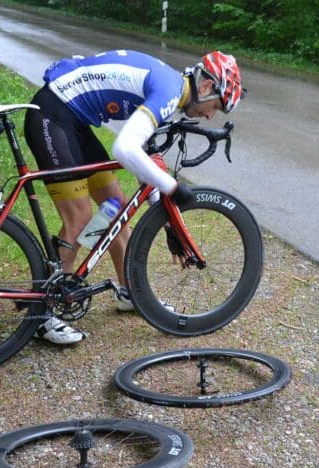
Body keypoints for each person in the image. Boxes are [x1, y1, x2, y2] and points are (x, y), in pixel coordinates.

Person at [24, 49, 244, 344]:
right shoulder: (169, 90)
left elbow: (145, 160)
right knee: (80, 220)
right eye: (216, 106)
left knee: (114, 207)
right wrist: (173, 189)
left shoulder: (172, 87)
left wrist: (168, 222)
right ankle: (42, 313)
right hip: (53, 116)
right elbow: (125, 150)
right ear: (206, 87)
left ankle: (130, 293)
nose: (209, 116)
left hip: (72, 119)